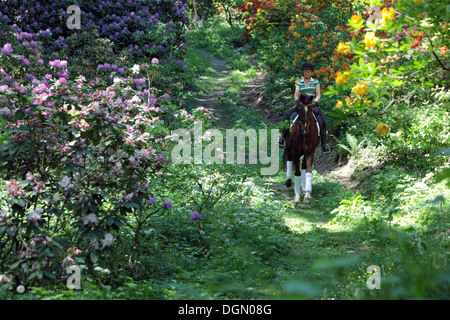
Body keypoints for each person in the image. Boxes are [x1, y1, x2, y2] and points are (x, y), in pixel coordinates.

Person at [279, 62, 331, 153]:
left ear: (311, 72)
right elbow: (296, 95)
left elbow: (318, 95)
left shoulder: (315, 82)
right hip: (302, 105)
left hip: (312, 105)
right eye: (305, 71)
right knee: (289, 115)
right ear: (303, 72)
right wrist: (298, 101)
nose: (307, 73)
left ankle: (324, 144)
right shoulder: (299, 82)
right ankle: (282, 138)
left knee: (322, 120)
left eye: (308, 71)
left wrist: (315, 102)